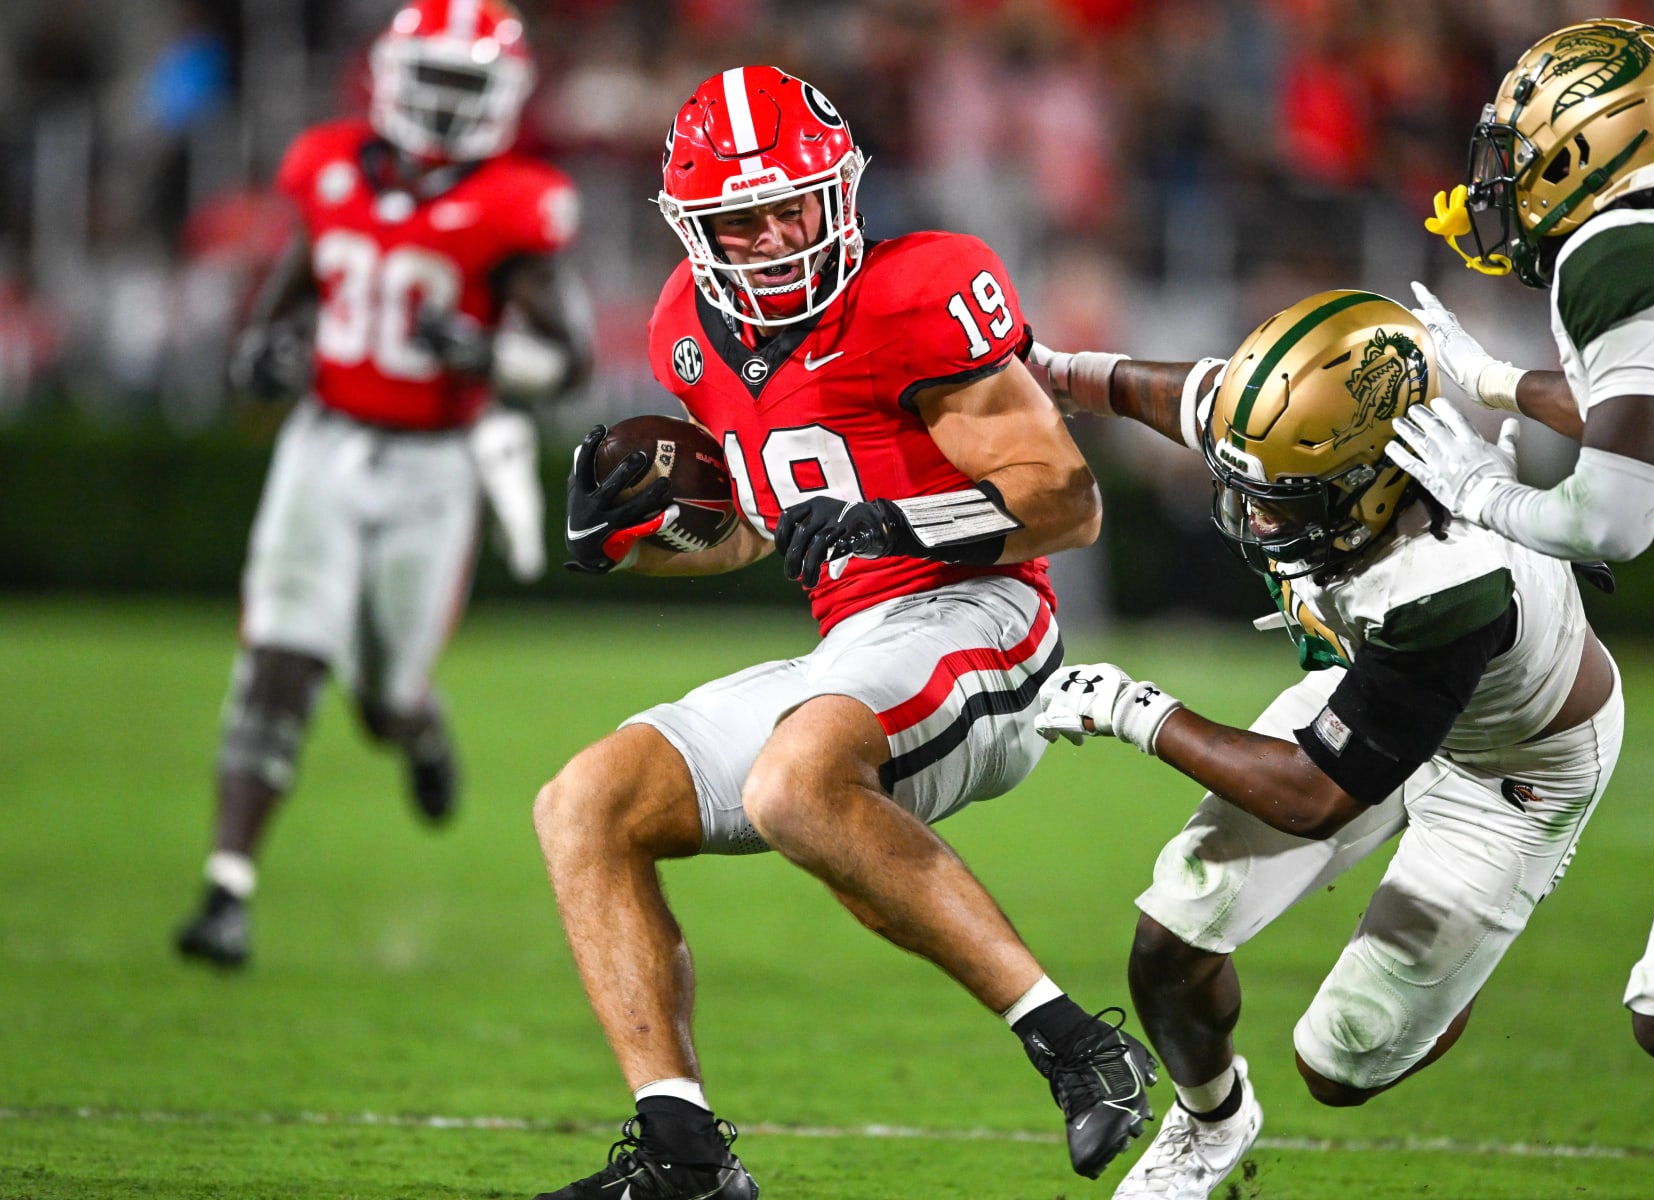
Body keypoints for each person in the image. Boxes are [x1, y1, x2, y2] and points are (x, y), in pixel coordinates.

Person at [530, 65, 1154, 1200]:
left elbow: (1068, 502)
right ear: (695, 230)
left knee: (793, 784)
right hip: (855, 643)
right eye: (744, 219)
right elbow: (773, 532)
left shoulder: (922, 287)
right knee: (586, 803)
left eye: (794, 206)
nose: (775, 236)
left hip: (988, 614)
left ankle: (1079, 1047)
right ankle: (682, 1158)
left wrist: (889, 517)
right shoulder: (685, 325)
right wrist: (651, 531)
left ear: (841, 192)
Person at [1029, 289, 1622, 1198]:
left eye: (1282, 499)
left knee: (1339, 1065)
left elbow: (1314, 792)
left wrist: (1133, 709)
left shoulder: (1451, 574)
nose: (1257, 518)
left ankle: (1449, 979)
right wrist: (1061, 375)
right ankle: (1212, 1123)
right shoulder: (1302, 429)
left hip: (1513, 768)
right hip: (1376, 683)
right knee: (1172, 933)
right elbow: (1184, 395)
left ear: (1381, 475)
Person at [1385, 18, 1654, 1083]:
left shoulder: (1614, 251)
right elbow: (1636, 416)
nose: (1499, 181)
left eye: (1518, 154)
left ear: (1589, 146)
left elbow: (1612, 520)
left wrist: (1478, 486)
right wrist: (1492, 383)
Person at [173, 0, 590, 968]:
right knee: (281, 655)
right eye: (432, 81)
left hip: (433, 468)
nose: (442, 106)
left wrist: (489, 351)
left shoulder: (516, 202)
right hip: (324, 443)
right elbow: (285, 299)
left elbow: (564, 363)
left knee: (381, 700)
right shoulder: (326, 167)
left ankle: (417, 723)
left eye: (463, 86)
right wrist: (259, 361)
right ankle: (226, 891)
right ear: (394, 79)